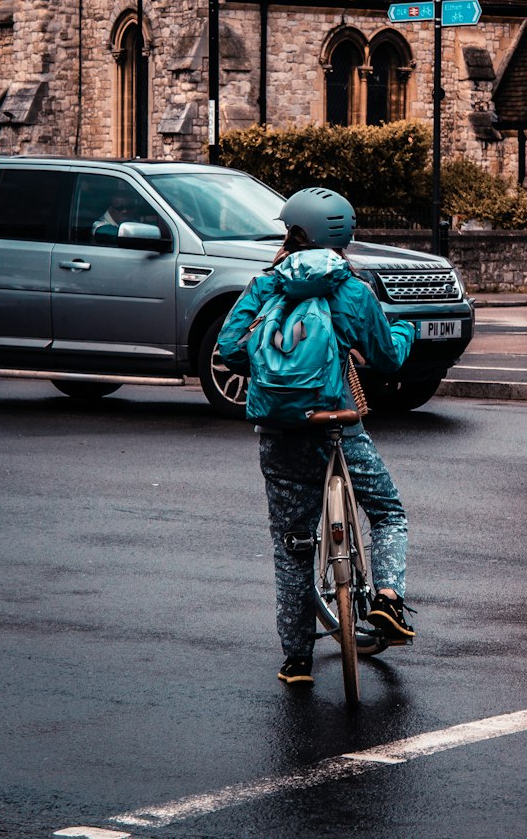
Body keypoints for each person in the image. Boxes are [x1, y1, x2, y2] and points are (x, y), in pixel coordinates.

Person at [217, 187, 417, 688]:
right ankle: (388, 599)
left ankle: (297, 661)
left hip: (281, 431)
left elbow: (229, 351)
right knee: (388, 513)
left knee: (292, 546)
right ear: (343, 235)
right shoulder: (351, 290)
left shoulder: (265, 285)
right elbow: (387, 359)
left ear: (290, 231)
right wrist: (405, 333)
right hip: (338, 425)